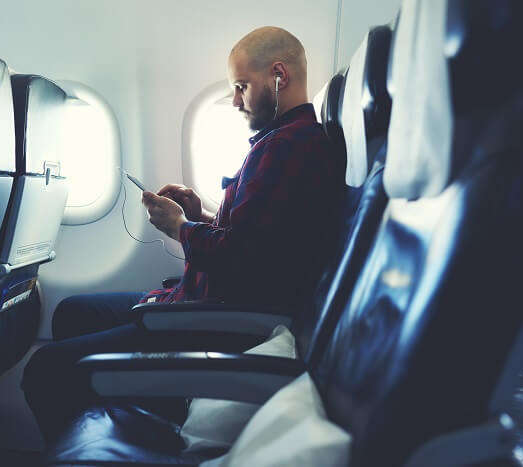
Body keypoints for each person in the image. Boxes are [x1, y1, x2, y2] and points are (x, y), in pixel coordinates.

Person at [23, 26, 345, 440]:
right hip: (203, 302)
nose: (235, 101)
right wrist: (199, 214)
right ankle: (111, 418)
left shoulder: (289, 147)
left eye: (242, 87)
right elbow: (259, 238)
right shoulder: (279, 142)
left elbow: (242, 257)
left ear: (278, 76)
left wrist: (180, 227)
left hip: (219, 321)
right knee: (73, 312)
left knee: (45, 371)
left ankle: (113, 421)